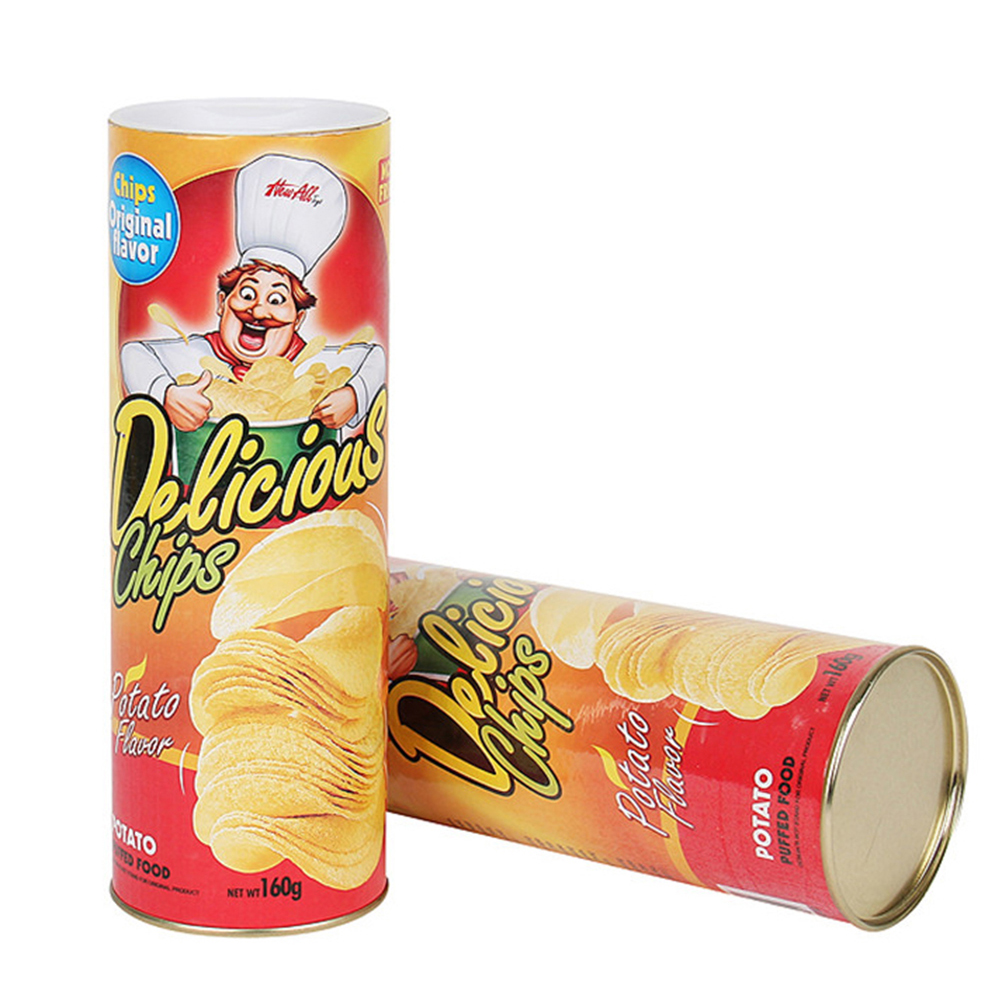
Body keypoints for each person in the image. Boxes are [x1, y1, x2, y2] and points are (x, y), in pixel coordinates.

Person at [120, 153, 385, 437]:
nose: (258, 311)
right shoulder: (192, 355)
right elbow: (131, 353)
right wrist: (165, 393)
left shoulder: (316, 367)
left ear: (298, 318)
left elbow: (377, 357)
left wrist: (355, 395)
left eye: (276, 299)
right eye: (247, 294)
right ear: (222, 303)